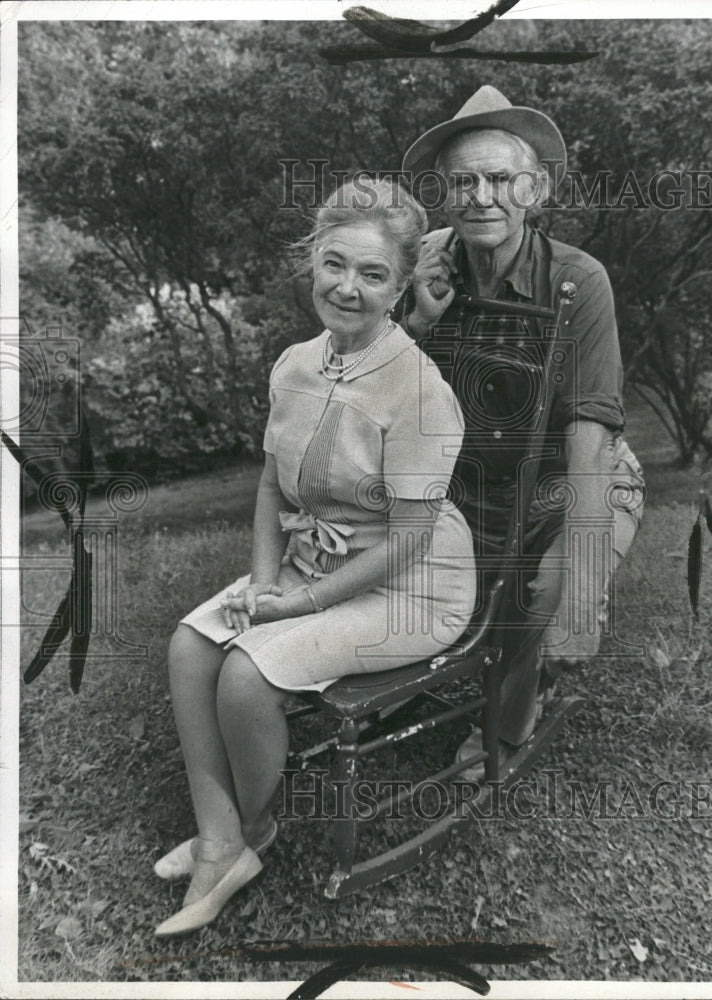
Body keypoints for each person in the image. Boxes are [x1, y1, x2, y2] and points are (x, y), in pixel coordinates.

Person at [154, 177, 476, 936]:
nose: (348, 288)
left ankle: (245, 835)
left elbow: (409, 541)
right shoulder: (296, 363)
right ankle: (222, 837)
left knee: (246, 673)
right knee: (190, 645)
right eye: (335, 265)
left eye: (372, 276)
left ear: (400, 289)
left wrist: (291, 607)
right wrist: (266, 582)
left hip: (414, 587)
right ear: (311, 265)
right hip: (313, 567)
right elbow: (271, 486)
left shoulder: (420, 390)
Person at [399, 86, 645, 777]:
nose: (481, 196)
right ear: (444, 192)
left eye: (500, 179)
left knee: (543, 588)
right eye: (463, 181)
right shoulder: (425, 264)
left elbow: (590, 432)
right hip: (470, 485)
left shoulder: (576, 280)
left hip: (570, 479)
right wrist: (416, 319)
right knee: (403, 570)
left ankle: (506, 722)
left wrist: (583, 583)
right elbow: (376, 396)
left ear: (534, 190)